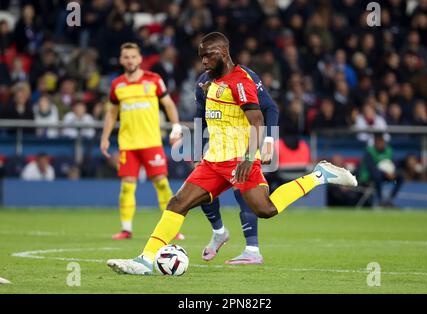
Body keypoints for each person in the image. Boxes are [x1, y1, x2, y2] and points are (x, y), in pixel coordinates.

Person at [106, 32, 357, 275]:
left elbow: (258, 120)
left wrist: (251, 157)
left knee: (266, 209)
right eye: (201, 56)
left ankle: (319, 175)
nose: (203, 61)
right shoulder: (208, 81)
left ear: (223, 53)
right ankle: (146, 259)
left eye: (208, 56)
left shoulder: (241, 82)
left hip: (240, 159)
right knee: (177, 203)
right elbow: (203, 117)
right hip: (214, 161)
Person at [195, 63, 279, 265]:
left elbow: (270, 107)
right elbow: (200, 114)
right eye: (204, 55)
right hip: (217, 147)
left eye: (211, 54)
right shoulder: (202, 81)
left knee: (244, 193)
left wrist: (269, 141)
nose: (207, 60)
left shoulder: (246, 77)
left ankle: (252, 249)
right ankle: (219, 232)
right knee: (201, 192)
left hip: (244, 145)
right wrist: (197, 149)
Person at [100, 42, 183, 240]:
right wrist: (104, 137)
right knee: (127, 186)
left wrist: (176, 128)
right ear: (121, 60)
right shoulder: (117, 85)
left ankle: (172, 228)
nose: (129, 60)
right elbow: (111, 113)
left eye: (133, 56)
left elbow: (169, 104)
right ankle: (126, 229)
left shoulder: (153, 80)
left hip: (152, 142)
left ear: (139, 59)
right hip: (128, 144)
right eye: (126, 57)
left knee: (162, 184)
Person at [358, 133, 404, 207]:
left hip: (387, 175)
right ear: (375, 143)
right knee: (377, 175)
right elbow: (371, 168)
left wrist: (393, 172)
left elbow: (394, 163)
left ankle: (390, 199)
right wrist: (385, 173)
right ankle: (380, 199)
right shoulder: (369, 152)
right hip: (370, 176)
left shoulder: (389, 150)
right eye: (378, 142)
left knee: (400, 176)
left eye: (382, 142)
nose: (380, 144)